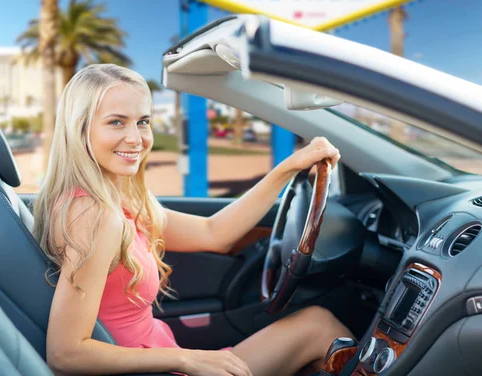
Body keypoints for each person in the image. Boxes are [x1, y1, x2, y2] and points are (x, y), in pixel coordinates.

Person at [33, 64, 352, 376]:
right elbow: (66, 354)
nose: (136, 138)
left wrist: (289, 167)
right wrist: (186, 360)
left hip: (162, 358)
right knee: (318, 327)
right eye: (116, 122)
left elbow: (213, 232)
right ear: (80, 129)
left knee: (316, 325)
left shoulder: (117, 199)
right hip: (161, 367)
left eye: (143, 122)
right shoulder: (95, 217)